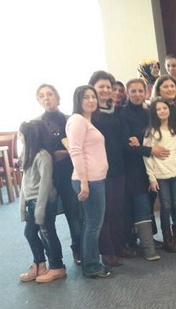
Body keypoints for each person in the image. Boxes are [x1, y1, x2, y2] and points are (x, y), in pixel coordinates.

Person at [66, 86, 114, 278]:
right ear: (78, 100)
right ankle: (92, 267)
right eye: (86, 97)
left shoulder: (86, 121)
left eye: (93, 97)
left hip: (95, 179)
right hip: (89, 180)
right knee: (94, 225)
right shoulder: (77, 120)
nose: (91, 100)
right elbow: (75, 151)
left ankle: (90, 263)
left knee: (91, 224)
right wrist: (84, 181)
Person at [35, 84, 82, 264]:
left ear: (57, 97)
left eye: (49, 94)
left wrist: (66, 153)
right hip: (48, 176)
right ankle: (55, 260)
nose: (46, 98)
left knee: (74, 214)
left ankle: (78, 250)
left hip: (69, 173)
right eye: (42, 96)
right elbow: (36, 152)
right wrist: (54, 155)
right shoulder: (36, 124)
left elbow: (77, 146)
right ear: (39, 100)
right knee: (48, 219)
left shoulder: (70, 119)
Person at [90, 70, 132, 267]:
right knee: (104, 212)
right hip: (99, 170)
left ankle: (119, 246)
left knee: (117, 210)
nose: (106, 90)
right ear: (93, 88)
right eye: (101, 86)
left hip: (118, 166)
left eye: (108, 86)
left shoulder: (117, 111)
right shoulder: (90, 114)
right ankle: (107, 252)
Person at [118, 78, 162, 260]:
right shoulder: (123, 114)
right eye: (133, 91)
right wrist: (149, 149)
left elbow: (154, 134)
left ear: (146, 93)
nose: (137, 94)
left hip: (150, 166)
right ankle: (146, 247)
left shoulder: (148, 112)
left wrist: (140, 141)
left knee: (149, 202)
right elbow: (126, 145)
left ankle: (147, 238)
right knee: (140, 204)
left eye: (140, 91)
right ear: (127, 93)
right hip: (133, 167)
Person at [18, 120, 66, 283]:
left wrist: (40, 208)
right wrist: (23, 206)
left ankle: (57, 266)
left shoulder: (42, 156)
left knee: (48, 234)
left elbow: (45, 184)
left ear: (30, 136)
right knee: (30, 233)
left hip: (43, 202)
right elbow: (25, 182)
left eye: (21, 134)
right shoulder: (28, 154)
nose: (19, 137)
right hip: (32, 202)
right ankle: (39, 264)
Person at [144, 97, 176, 252]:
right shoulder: (151, 132)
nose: (162, 111)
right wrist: (151, 178)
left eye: (164, 108)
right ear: (154, 112)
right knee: (166, 206)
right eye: (158, 109)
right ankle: (167, 238)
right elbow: (147, 157)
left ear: (169, 110)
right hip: (160, 175)